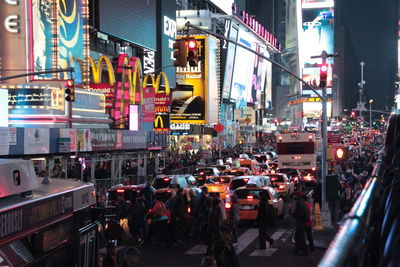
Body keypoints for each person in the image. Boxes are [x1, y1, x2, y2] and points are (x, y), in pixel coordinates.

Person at [293, 191, 309, 256]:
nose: (294, 196)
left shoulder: (299, 203)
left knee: (301, 237)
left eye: (295, 195)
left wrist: (294, 215)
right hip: (301, 222)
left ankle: (304, 251)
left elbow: (300, 214)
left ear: (298, 196)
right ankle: (298, 249)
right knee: (297, 236)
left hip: (300, 222)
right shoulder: (301, 202)